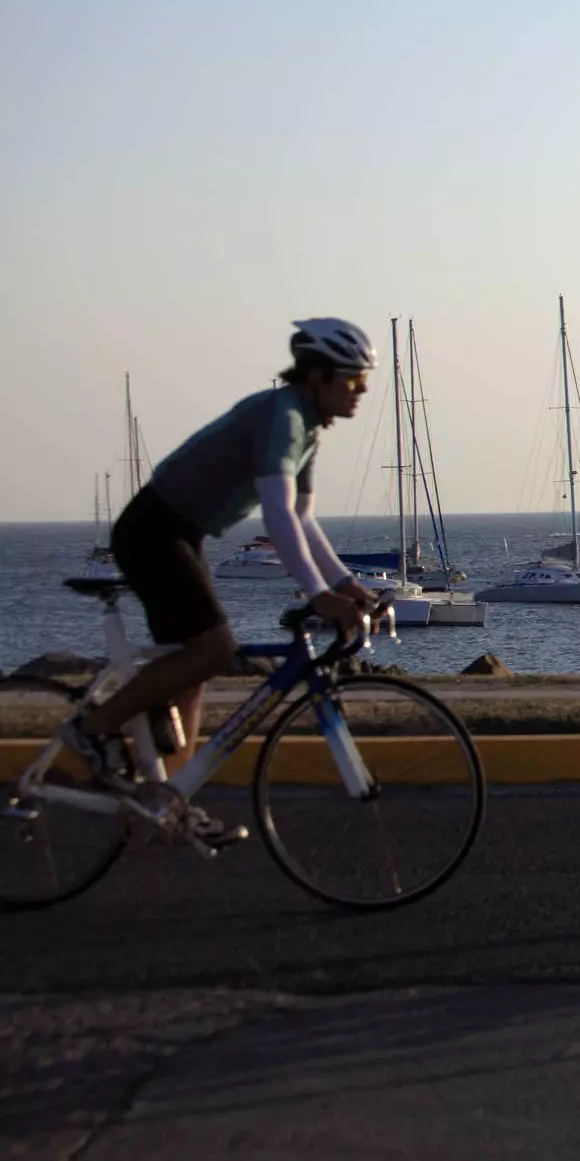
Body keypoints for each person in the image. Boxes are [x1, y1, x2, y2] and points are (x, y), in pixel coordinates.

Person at [62, 319, 383, 844]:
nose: (363, 391)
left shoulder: (306, 425)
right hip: (154, 530)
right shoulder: (283, 417)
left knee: (197, 668)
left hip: (182, 533)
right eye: (354, 380)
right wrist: (321, 596)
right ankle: (93, 728)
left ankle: (168, 798)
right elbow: (276, 517)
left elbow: (302, 519)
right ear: (320, 376)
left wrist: (347, 584)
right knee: (215, 647)